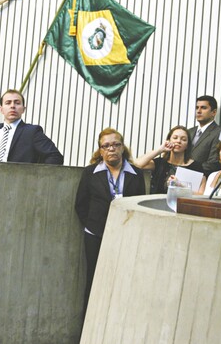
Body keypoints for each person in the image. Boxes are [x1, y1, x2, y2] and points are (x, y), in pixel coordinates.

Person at [74, 128, 145, 307]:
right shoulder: (90, 172)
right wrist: (92, 226)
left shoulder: (136, 174)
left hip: (126, 235)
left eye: (116, 144)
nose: (111, 149)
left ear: (123, 148)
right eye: (106, 146)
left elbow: (140, 205)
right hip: (96, 235)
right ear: (100, 150)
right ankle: (87, 328)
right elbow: (80, 204)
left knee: (123, 278)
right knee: (94, 278)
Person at [0, 90, 63, 164]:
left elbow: (55, 156)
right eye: (8, 103)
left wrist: (36, 176)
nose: (12, 106)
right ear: (1, 109)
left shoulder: (32, 132)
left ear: (23, 109)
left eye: (17, 103)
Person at [135, 125, 202, 194]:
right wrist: (160, 149)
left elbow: (201, 195)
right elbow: (135, 165)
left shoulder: (196, 166)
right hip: (157, 203)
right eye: (175, 138)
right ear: (169, 140)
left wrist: (181, 187)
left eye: (183, 139)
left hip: (183, 204)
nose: (178, 141)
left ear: (187, 145)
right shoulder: (160, 163)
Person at [187, 95, 221, 175]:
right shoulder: (189, 132)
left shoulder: (219, 133)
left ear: (214, 112)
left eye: (203, 108)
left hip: (203, 180)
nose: (198, 111)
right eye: (197, 107)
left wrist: (188, 168)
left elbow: (214, 164)